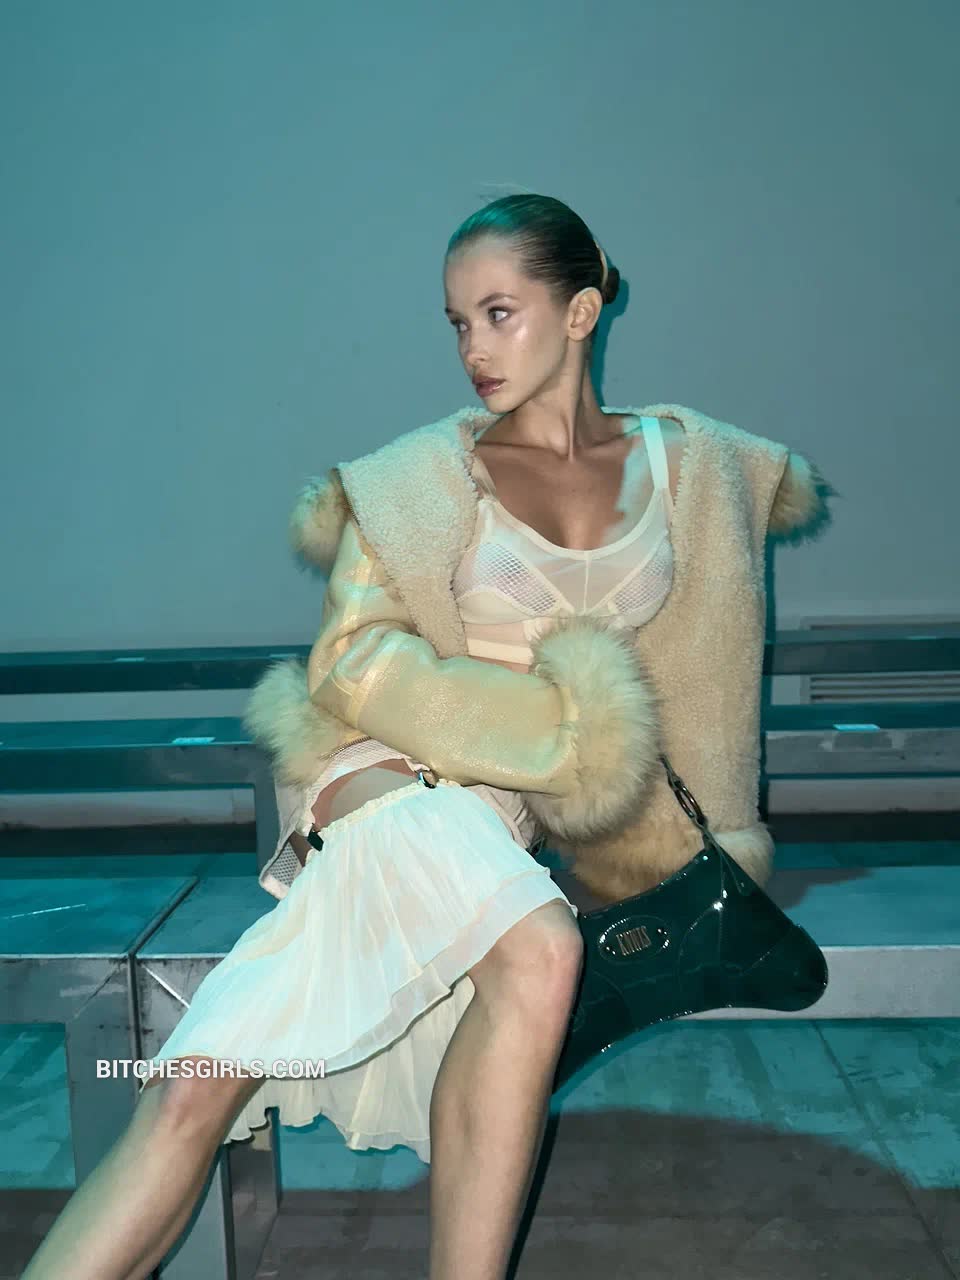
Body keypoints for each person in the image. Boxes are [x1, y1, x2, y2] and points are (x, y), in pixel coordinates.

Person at [22, 193, 830, 1280]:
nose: (473, 349)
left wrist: (683, 828)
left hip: (491, 830)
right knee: (541, 954)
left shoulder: (695, 470)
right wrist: (561, 737)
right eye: (457, 323)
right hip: (383, 780)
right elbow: (350, 661)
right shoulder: (417, 478)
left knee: (194, 1092)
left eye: (499, 313)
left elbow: (707, 666)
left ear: (581, 310)